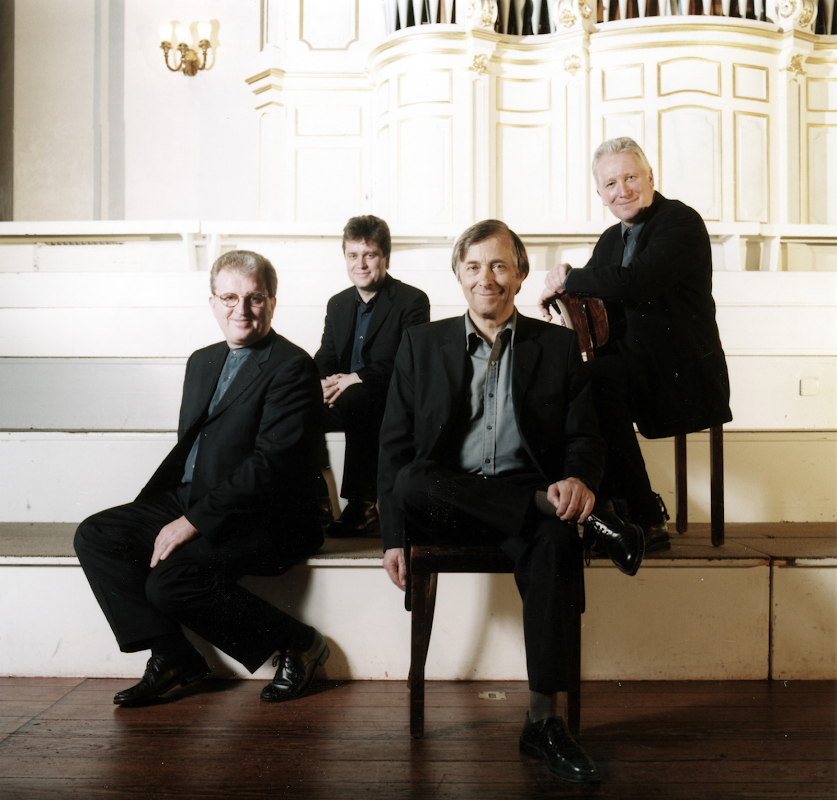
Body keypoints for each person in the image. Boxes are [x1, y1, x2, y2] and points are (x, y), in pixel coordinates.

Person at [378, 220, 644, 785]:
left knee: (553, 540)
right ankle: (578, 517)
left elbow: (585, 437)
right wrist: (393, 538)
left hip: (528, 503)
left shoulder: (557, 345)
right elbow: (394, 448)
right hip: (447, 501)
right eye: (474, 266)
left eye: (499, 265)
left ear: (520, 275)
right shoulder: (421, 344)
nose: (487, 278)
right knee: (412, 480)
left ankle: (543, 722)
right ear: (458, 275)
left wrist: (579, 481)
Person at [74, 250, 329, 707]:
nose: (241, 309)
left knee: (168, 582)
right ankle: (172, 654)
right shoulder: (202, 361)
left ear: (272, 303)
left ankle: (299, 642)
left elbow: (269, 466)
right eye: (229, 297)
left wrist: (192, 522)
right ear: (213, 303)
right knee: (97, 535)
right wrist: (179, 510)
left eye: (254, 298)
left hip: (267, 514)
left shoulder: (292, 365)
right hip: (196, 495)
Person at [539, 137, 732, 550]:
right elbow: (588, 288)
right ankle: (612, 510)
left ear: (650, 178)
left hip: (682, 373)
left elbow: (635, 282)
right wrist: (558, 290)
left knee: (594, 383)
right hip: (633, 368)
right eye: (611, 183)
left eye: (630, 178)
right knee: (571, 382)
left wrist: (568, 276)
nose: (622, 190)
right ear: (600, 194)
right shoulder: (612, 238)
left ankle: (643, 514)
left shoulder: (680, 222)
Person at [314, 215, 430, 537]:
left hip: (388, 400)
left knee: (357, 396)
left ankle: (362, 507)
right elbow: (325, 356)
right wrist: (320, 383)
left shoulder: (411, 300)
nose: (360, 264)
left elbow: (408, 361)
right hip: (344, 396)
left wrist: (356, 377)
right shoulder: (338, 304)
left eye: (370, 255)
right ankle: (314, 501)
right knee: (296, 404)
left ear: (386, 258)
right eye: (353, 255)